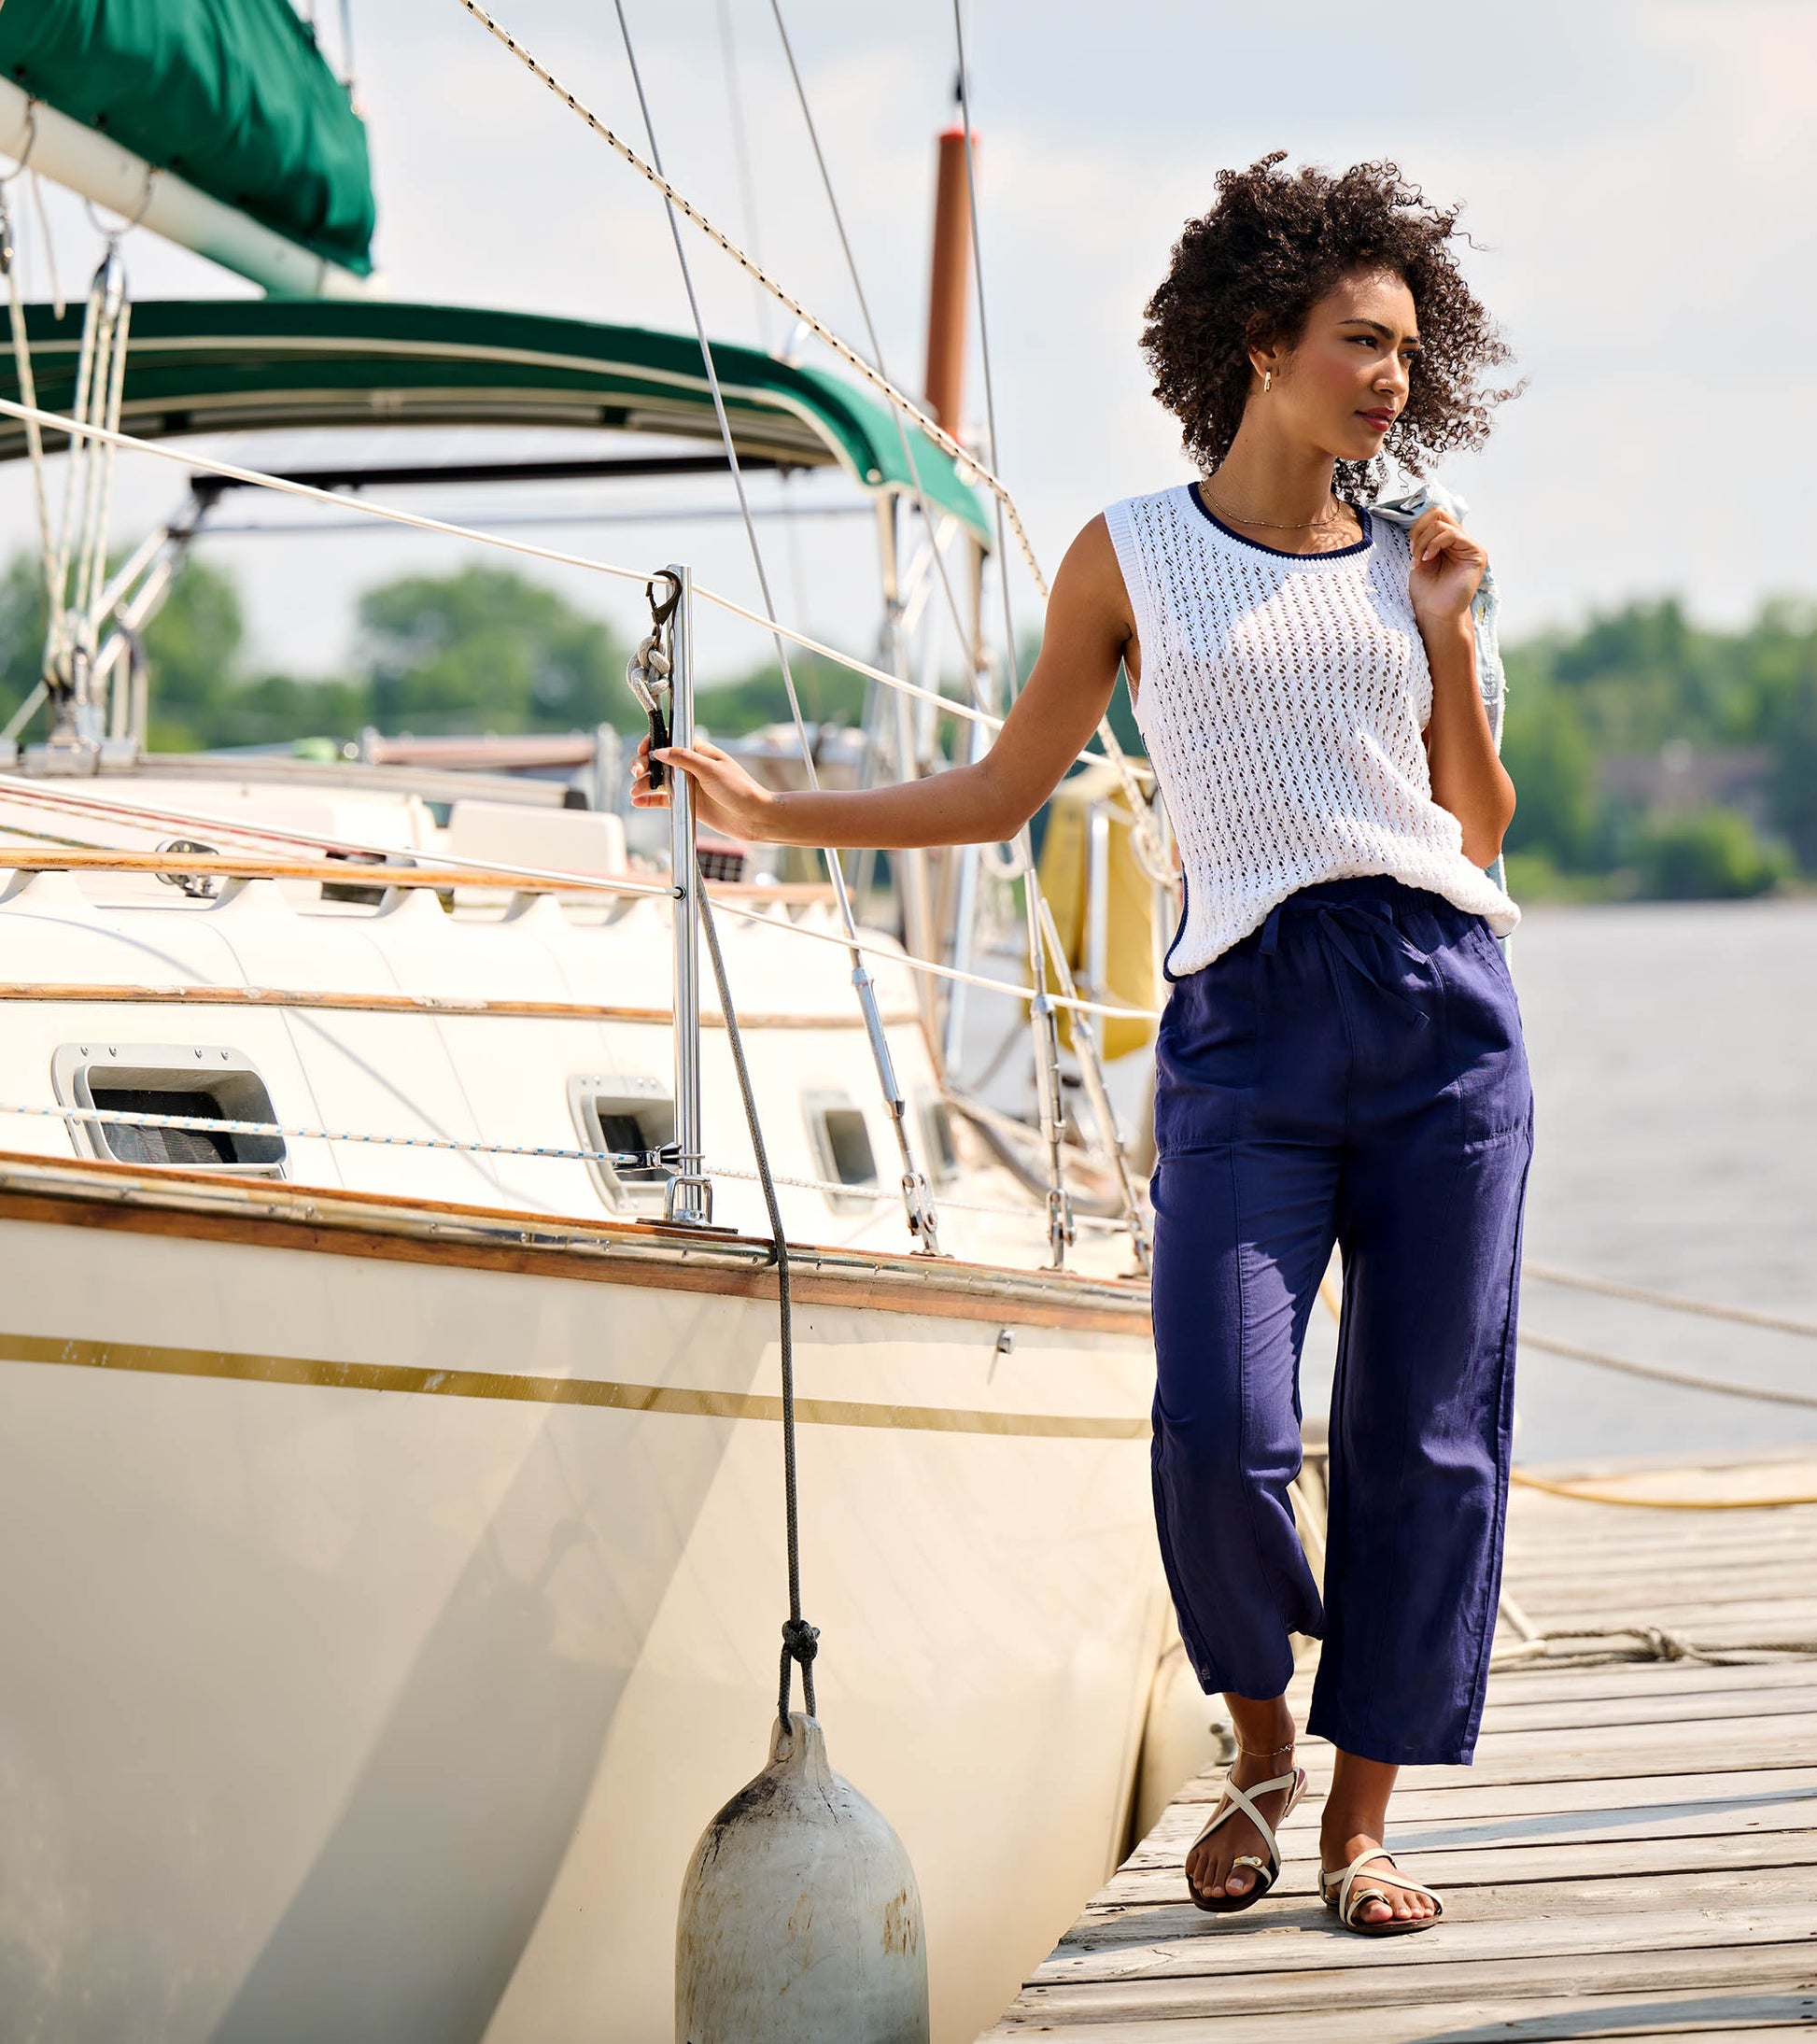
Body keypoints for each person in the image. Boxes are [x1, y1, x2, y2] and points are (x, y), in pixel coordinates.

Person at [634, 153, 1531, 1938]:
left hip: (1440, 1013)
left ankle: (1357, 1822)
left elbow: (1480, 821)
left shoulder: (1418, 563)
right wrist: (775, 812)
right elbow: (998, 790)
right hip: (1245, 1024)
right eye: (1359, 342)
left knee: (1426, 1433)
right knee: (1214, 1419)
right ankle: (1261, 1744)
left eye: (1409, 353)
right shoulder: (1130, 554)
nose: (1391, 381)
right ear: (1260, 340)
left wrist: (1442, 640)